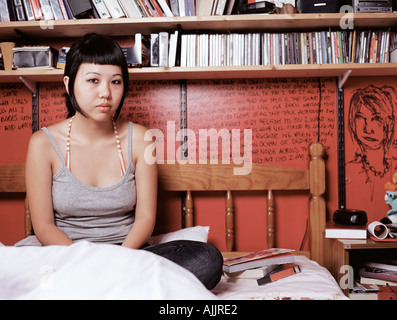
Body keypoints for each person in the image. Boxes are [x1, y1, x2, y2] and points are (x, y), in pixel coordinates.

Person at [25, 33, 223, 290]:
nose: (105, 93)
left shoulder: (141, 138)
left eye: (115, 82)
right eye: (93, 80)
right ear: (68, 83)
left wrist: (118, 261)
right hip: (67, 258)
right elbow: (43, 226)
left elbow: (145, 219)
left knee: (207, 260)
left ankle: (101, 289)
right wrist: (86, 263)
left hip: (129, 256)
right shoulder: (43, 143)